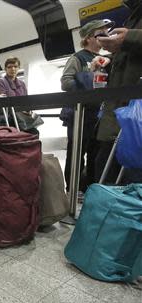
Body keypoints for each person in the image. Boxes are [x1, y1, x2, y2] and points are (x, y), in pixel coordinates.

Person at [60, 19, 114, 193]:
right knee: (76, 154)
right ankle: (72, 191)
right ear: (90, 37)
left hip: (99, 114)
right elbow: (66, 83)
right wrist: (89, 72)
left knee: (94, 155)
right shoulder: (78, 58)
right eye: (101, 34)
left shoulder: (105, 60)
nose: (106, 37)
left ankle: (91, 190)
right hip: (80, 113)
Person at [95, 0, 142, 183]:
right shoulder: (134, 14)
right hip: (122, 114)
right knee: (107, 174)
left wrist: (130, 38)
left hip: (134, 118)